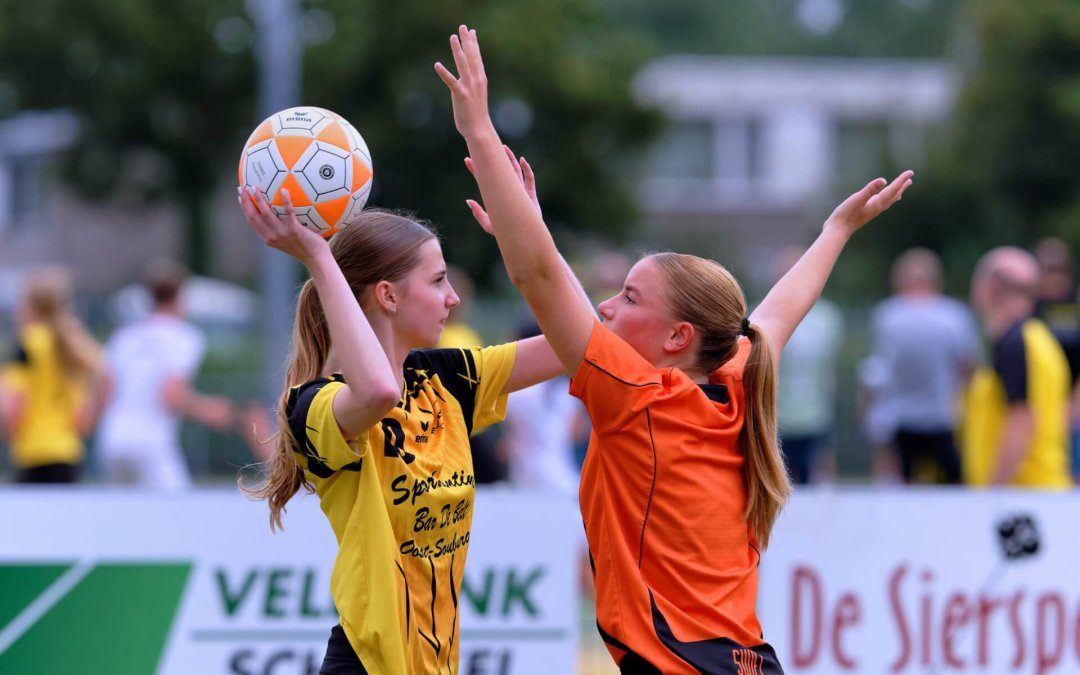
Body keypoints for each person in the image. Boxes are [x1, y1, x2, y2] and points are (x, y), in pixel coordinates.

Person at [437, 25, 913, 673]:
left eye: (630, 297)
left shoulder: (638, 395)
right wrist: (836, 229)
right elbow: (777, 312)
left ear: (677, 337)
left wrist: (479, 132)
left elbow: (539, 275)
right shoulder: (737, 375)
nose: (606, 305)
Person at [236, 187, 572, 673]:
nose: (453, 297)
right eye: (438, 281)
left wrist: (534, 240)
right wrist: (317, 256)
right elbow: (376, 391)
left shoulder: (446, 381)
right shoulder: (312, 405)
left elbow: (578, 342)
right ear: (387, 296)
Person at [96, 259, 235, 489]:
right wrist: (208, 410)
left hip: (113, 441)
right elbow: (170, 395)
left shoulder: (125, 336)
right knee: (178, 515)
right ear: (180, 295)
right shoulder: (183, 337)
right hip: (150, 443)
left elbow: (104, 392)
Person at [866, 248, 980, 484]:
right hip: (945, 416)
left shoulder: (887, 315)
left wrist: (869, 412)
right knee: (953, 486)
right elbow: (968, 367)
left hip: (901, 419)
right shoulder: (955, 316)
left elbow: (877, 372)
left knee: (902, 489)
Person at [961, 246, 1072, 488]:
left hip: (1021, 497)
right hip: (1044, 490)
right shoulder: (1041, 339)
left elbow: (1021, 420)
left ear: (991, 288)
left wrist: (993, 495)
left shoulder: (1014, 342)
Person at [0, 267, 102, 483]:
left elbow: (13, 406)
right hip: (68, 451)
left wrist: (10, 432)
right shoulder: (72, 345)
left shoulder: (28, 344)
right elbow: (87, 406)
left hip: (33, 452)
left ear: (29, 306)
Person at [771, 246, 844, 485]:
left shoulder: (828, 317)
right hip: (775, 418)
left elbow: (829, 370)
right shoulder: (760, 313)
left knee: (816, 481)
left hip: (815, 415)